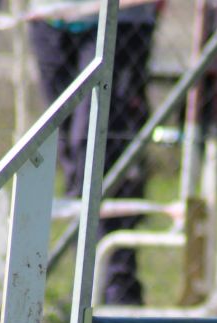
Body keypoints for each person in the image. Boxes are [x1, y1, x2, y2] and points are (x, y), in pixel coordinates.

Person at [29, 1, 159, 306]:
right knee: (73, 159)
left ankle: (118, 285)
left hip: (118, 16)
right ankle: (87, 283)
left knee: (98, 151)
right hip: (50, 18)